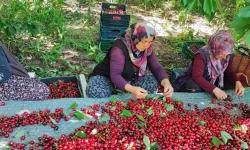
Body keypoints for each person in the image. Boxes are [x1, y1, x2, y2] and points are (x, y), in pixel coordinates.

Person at [87, 21, 173, 99]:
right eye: (144, 41)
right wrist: (132, 89)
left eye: (150, 42)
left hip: (129, 78)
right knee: (96, 92)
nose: (146, 45)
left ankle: (126, 90)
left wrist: (166, 83)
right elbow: (115, 75)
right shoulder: (119, 48)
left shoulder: (146, 48)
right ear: (135, 37)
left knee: (151, 84)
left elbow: (156, 68)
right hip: (107, 78)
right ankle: (123, 90)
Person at [173, 30, 245, 100]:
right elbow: (197, 76)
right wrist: (214, 89)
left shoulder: (228, 54)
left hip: (216, 79)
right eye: (221, 55)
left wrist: (237, 82)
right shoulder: (201, 55)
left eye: (226, 55)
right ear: (214, 50)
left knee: (232, 84)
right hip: (201, 78)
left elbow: (230, 72)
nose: (224, 57)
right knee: (194, 86)